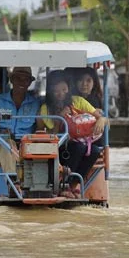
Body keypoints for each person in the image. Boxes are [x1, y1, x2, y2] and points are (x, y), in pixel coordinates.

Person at [37, 70, 108, 198]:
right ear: (50, 92)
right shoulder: (45, 109)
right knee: (79, 148)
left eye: (64, 90)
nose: (60, 94)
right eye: (56, 91)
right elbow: (45, 134)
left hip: (79, 144)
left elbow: (101, 117)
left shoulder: (78, 101)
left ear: (69, 88)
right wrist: (60, 118)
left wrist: (101, 121)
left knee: (95, 151)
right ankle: (63, 185)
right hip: (57, 148)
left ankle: (73, 185)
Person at [0, 67, 41, 176]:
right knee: (8, 144)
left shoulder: (36, 103)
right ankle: (13, 183)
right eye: (18, 78)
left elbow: (39, 130)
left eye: (25, 79)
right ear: (12, 80)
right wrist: (3, 135)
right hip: (1, 147)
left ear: (29, 82)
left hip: (26, 147)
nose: (22, 82)